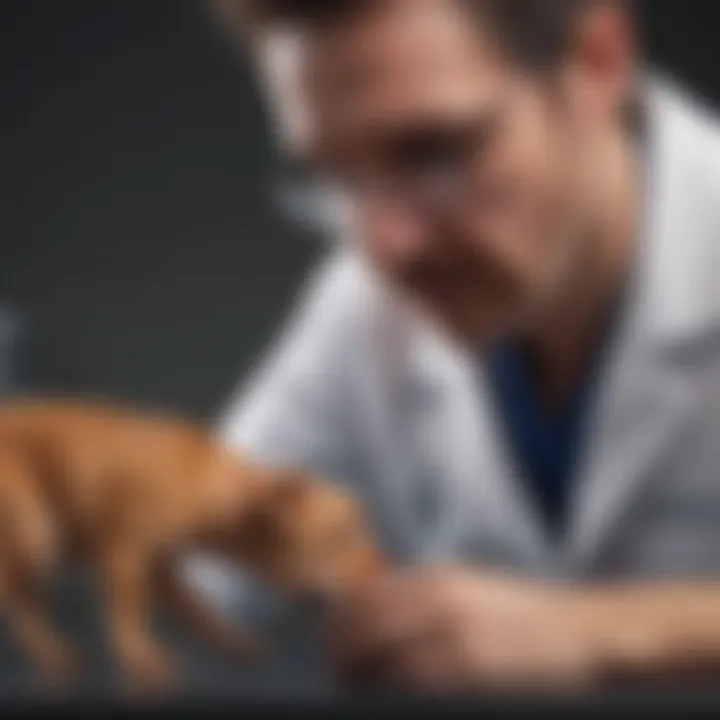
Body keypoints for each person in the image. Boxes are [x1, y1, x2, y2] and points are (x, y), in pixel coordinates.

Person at [207, 0, 720, 690]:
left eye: (434, 153)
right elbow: (204, 551)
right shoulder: (364, 307)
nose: (387, 245)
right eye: (337, 178)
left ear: (598, 63)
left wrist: (597, 630)